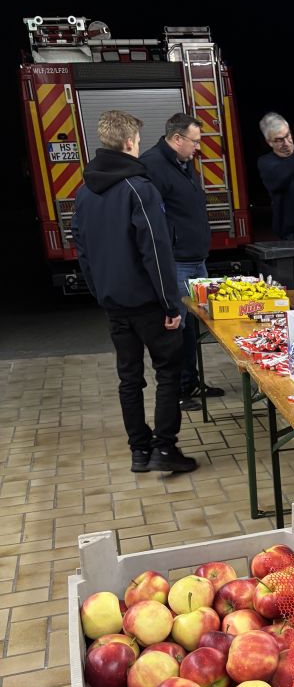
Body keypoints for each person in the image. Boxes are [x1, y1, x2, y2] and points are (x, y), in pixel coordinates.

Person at [72, 111, 197, 474]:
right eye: (139, 142)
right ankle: (164, 449)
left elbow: (81, 246)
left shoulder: (84, 191)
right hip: (149, 305)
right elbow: (156, 252)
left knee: (129, 378)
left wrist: (100, 291)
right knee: (168, 374)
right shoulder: (139, 189)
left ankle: (139, 453)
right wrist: (171, 303)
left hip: (114, 304)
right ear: (129, 143)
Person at [141, 113, 226, 412]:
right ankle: (176, 390)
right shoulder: (153, 165)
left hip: (195, 259)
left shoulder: (183, 162)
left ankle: (190, 381)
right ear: (177, 139)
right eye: (194, 142)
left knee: (192, 327)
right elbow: (153, 218)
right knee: (177, 328)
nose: (198, 149)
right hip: (176, 262)